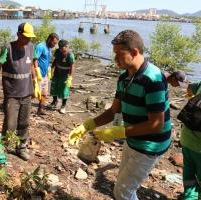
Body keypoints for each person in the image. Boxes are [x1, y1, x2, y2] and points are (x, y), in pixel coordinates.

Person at [69, 30, 171, 200]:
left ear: (134, 52)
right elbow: (113, 110)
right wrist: (87, 125)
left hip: (151, 144)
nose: (115, 58)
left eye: (119, 54)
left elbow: (156, 124)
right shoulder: (124, 77)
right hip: (133, 139)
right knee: (126, 187)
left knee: (122, 192)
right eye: (114, 53)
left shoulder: (153, 79)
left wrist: (119, 132)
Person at [0, 22, 41, 161]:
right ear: (18, 34)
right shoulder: (8, 48)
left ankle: (21, 147)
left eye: (30, 37)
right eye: (26, 37)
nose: (28, 40)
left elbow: (32, 64)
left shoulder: (31, 47)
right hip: (12, 93)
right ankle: (4, 147)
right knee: (10, 123)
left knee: (24, 122)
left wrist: (36, 81)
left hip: (26, 92)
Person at [180, 81, 201, 200]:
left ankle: (189, 197)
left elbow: (189, 87)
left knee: (189, 172)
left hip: (187, 139)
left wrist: (191, 96)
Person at [35, 33, 59, 115]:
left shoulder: (49, 48)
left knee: (44, 93)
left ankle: (40, 109)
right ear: (49, 39)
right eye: (54, 43)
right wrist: (36, 70)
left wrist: (49, 69)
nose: (54, 45)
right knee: (35, 93)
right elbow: (34, 59)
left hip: (44, 74)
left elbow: (46, 59)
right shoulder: (40, 46)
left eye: (56, 44)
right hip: (38, 74)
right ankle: (20, 104)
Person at [49, 39, 75, 114]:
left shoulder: (70, 55)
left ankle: (63, 106)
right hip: (57, 73)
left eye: (63, 49)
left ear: (67, 47)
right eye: (60, 48)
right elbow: (55, 60)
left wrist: (70, 77)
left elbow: (72, 66)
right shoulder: (57, 52)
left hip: (65, 75)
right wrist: (51, 69)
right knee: (54, 88)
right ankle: (54, 102)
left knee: (64, 90)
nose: (62, 50)